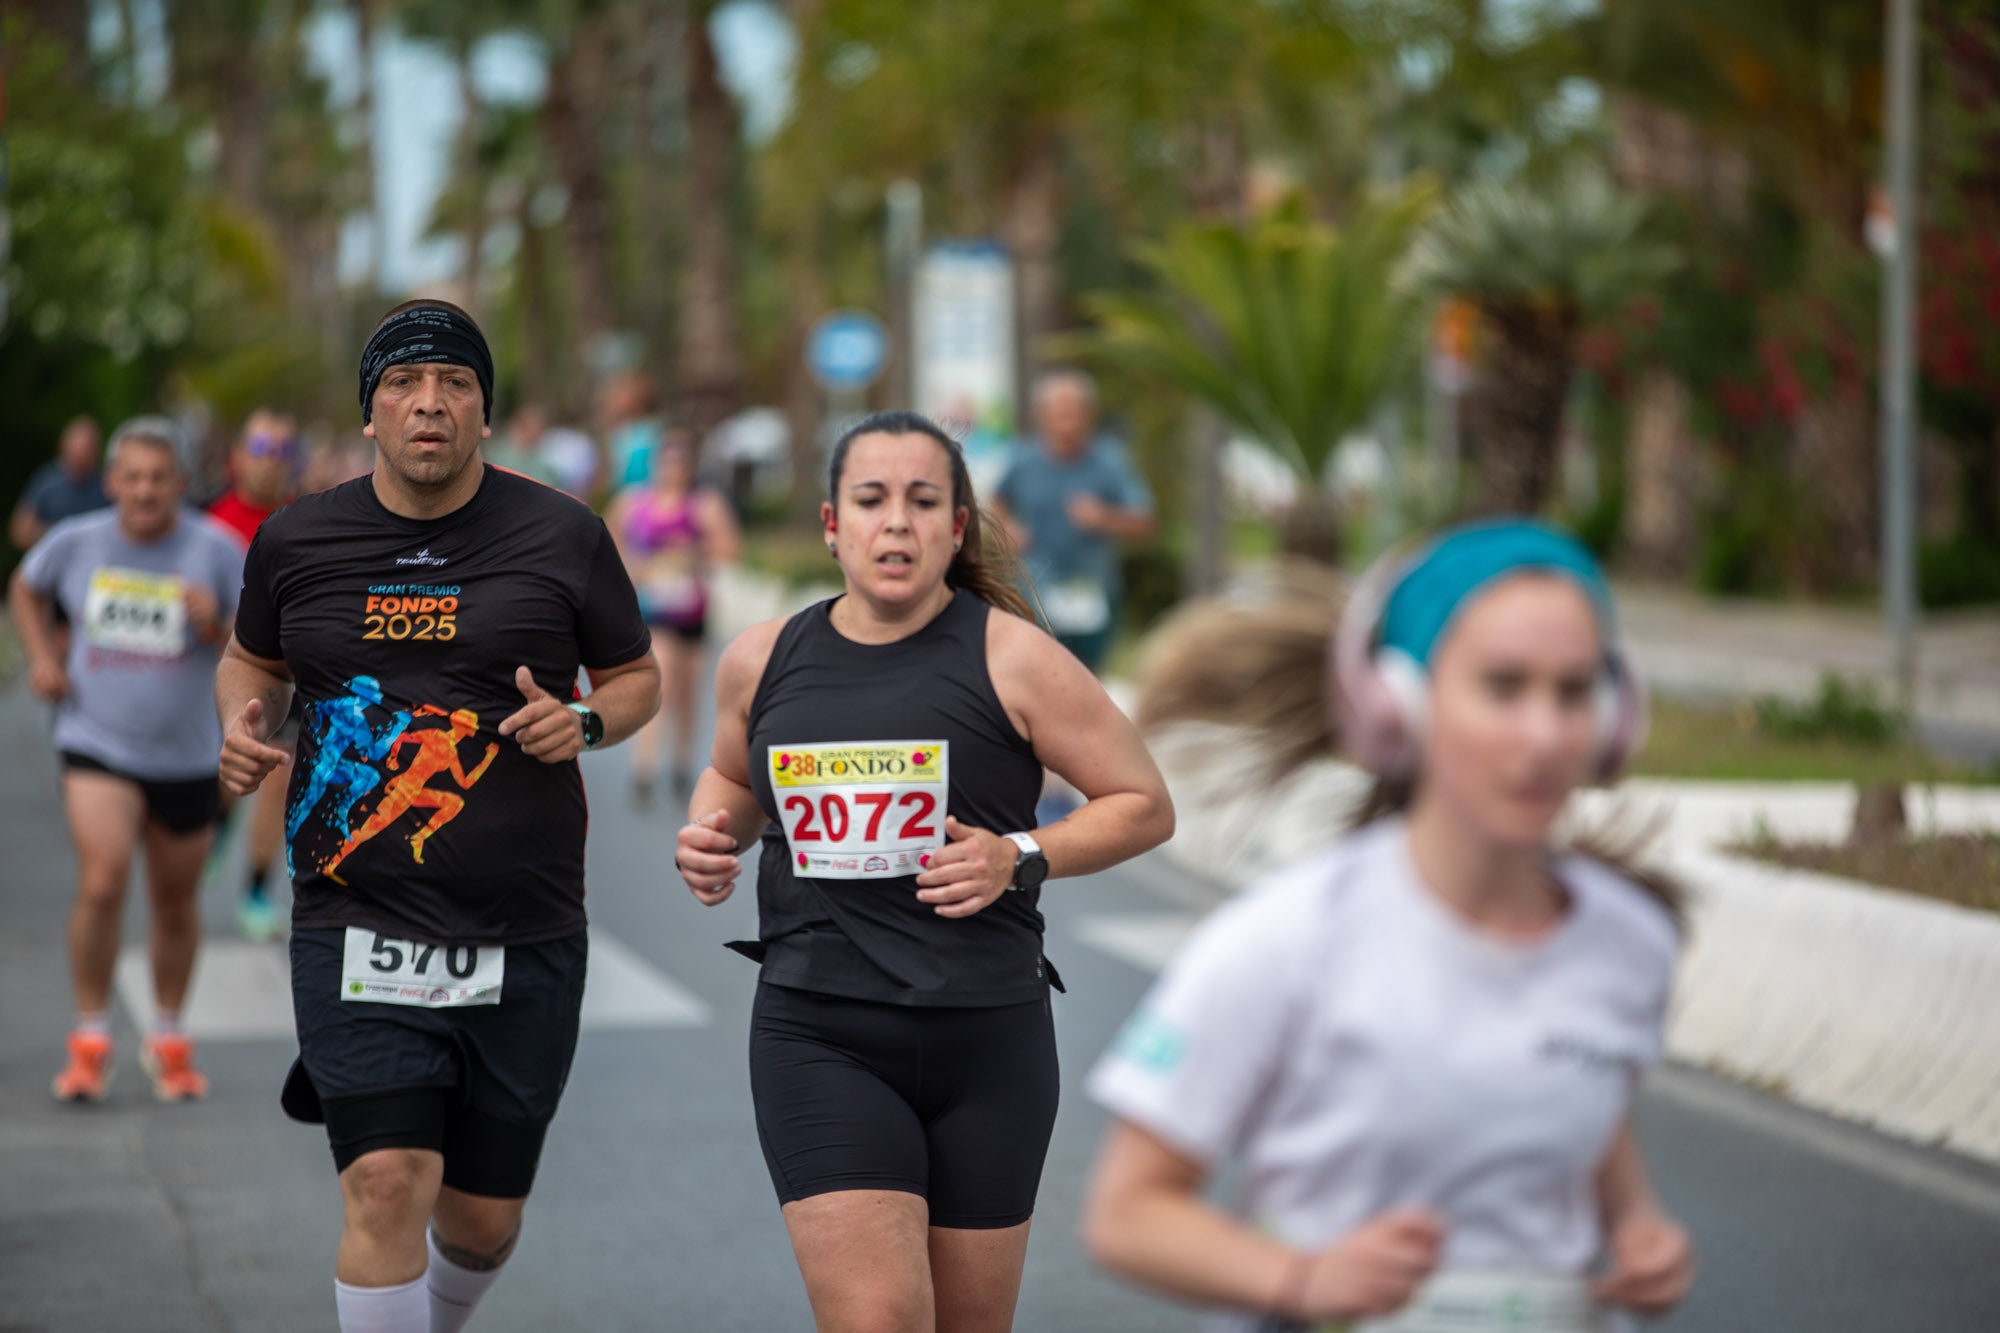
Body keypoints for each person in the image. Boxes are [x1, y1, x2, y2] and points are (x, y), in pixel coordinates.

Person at [1081, 521, 1696, 1333]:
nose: (1545, 735)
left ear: (1615, 714)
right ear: (1400, 702)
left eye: (1574, 691)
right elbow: (1127, 1214)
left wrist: (1637, 1227)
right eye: (1504, 687)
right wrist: (1302, 1279)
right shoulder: (1286, 938)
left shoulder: (1630, 940)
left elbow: (1573, 1079)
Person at [674, 409, 1175, 1333]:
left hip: (988, 1036)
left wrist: (1016, 855)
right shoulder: (761, 658)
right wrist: (711, 833)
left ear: (956, 526)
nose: (896, 522)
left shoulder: (1015, 658)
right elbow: (735, 778)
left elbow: (1144, 802)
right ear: (832, 526)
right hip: (820, 1030)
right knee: (879, 1320)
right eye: (870, 499)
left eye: (922, 501)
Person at [214, 299, 661, 1333]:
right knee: (386, 1181)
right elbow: (253, 658)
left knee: (481, 1221)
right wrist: (236, 724)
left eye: (454, 385)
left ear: (484, 414)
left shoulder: (561, 534)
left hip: (527, 920)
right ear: (370, 414)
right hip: (355, 911)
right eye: (403, 387)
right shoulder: (297, 541)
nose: (429, 404)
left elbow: (635, 676)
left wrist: (586, 724)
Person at [9, 416, 244, 1104]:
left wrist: (217, 623)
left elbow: (264, 639)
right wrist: (45, 658)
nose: (144, 492)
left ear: (180, 482)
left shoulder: (218, 549)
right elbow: (24, 589)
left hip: (189, 751)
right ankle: (90, 1036)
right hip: (96, 740)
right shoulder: (76, 541)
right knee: (105, 877)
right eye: (132, 478)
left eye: (158, 478)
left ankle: (168, 1035)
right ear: (112, 482)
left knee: (174, 901)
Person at [208, 408, 307, 941]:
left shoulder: (306, 522)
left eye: (284, 452)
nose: (273, 464)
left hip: (285, 675)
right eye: (263, 450)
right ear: (240, 456)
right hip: (218, 675)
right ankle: (219, 826)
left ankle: (255, 891)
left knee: (280, 779)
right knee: (228, 775)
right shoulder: (213, 520)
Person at [605, 427, 741, 805]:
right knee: (661, 676)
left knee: (688, 690)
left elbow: (730, 549)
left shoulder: (703, 504)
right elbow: (605, 542)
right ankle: (645, 767)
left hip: (693, 610)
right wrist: (638, 567)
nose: (675, 467)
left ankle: (681, 763)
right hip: (653, 610)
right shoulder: (634, 502)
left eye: (682, 460)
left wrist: (693, 556)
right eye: (669, 460)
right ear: (657, 464)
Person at [991, 368, 1155, 674]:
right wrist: (1008, 527)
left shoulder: (1111, 461)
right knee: (1039, 674)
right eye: (1057, 413)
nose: (1065, 422)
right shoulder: (1023, 460)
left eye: (1073, 412)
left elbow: (1144, 522)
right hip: (1037, 589)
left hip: (1093, 590)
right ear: (1041, 416)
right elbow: (996, 500)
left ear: (1090, 415)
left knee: (1086, 677)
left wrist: (1103, 517)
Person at [10, 416, 110, 552]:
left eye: (87, 449)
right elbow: (20, 532)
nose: (80, 456)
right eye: (76, 449)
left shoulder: (107, 485)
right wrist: (59, 535)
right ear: (63, 447)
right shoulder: (46, 480)